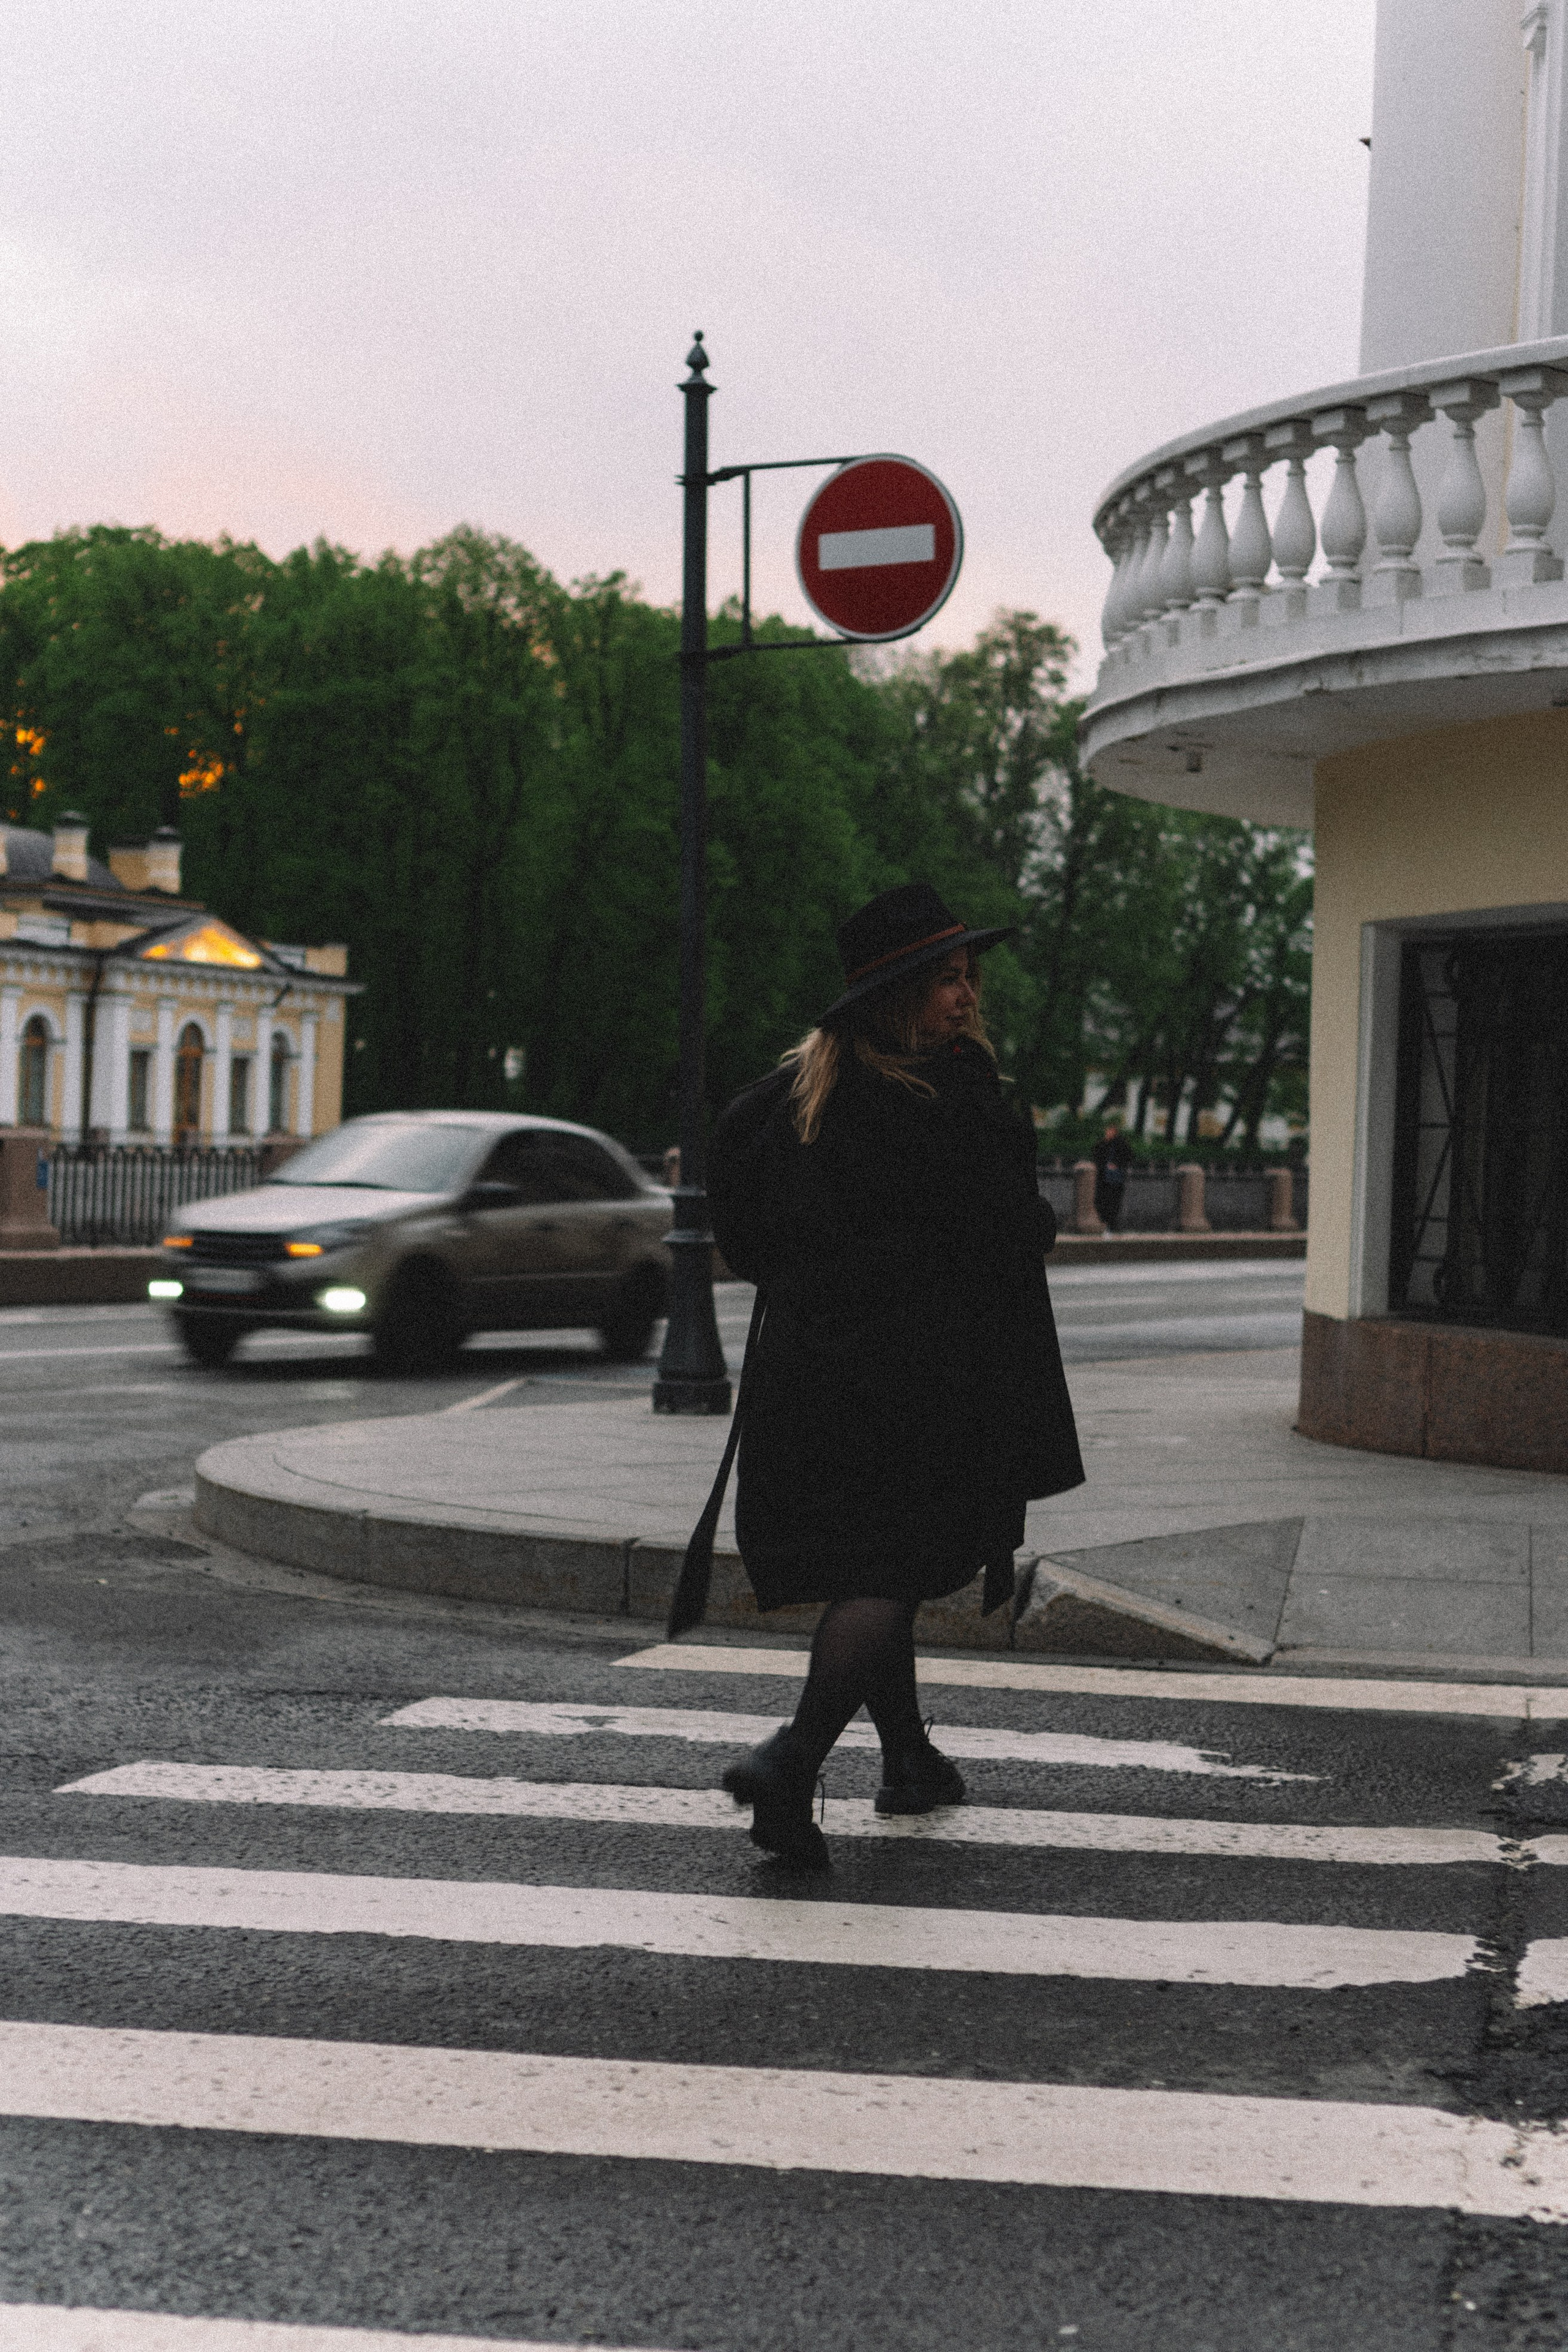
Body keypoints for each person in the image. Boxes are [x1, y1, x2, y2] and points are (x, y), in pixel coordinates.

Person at [695, 881, 1085, 1872]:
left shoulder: (795, 1097)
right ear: (896, 996)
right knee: (889, 1572)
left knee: (879, 1568)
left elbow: (738, 1226)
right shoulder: (945, 1101)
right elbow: (1011, 1228)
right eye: (945, 980)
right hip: (918, 1386)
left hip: (810, 1378)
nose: (964, 997)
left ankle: (910, 1760)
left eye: (968, 977)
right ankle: (794, 1758)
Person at [1092, 1114, 1134, 1232]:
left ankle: (1112, 1224)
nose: (1109, 1133)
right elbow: (1096, 1154)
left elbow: (1129, 1157)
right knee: (1102, 1200)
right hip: (1104, 1177)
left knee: (1114, 1201)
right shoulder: (1103, 1144)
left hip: (1117, 1178)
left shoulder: (1121, 1143)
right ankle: (1105, 1221)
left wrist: (1117, 1164)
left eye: (1111, 1131)